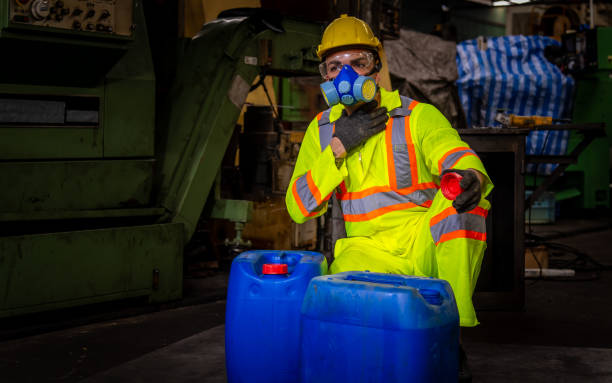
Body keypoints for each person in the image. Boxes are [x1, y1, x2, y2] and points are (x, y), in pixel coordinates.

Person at [285, 14, 493, 382]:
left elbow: (456, 155)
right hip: (363, 251)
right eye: (335, 66)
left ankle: (449, 333)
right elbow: (298, 208)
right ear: (324, 75)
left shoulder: (417, 116)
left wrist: (470, 177)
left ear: (377, 67)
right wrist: (338, 146)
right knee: (359, 341)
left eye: (358, 63)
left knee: (468, 206)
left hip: (421, 244)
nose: (346, 75)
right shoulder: (321, 132)